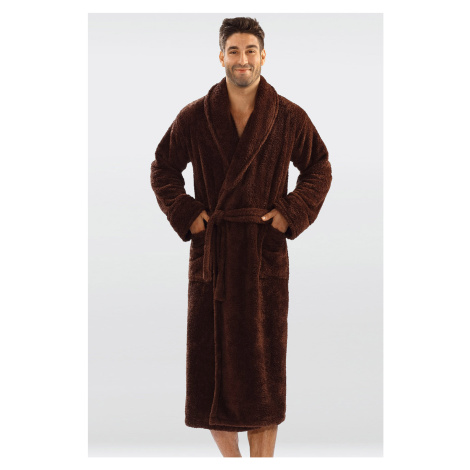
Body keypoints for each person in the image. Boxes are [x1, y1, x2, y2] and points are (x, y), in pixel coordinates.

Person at [150, 17, 332, 458]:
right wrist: (188, 213)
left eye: (251, 50)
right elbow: (162, 167)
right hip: (213, 257)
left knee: (262, 375)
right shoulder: (195, 116)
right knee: (211, 374)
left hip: (261, 255)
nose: (243, 59)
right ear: (221, 57)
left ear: (263, 56)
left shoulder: (287, 116)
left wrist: (290, 213)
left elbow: (319, 167)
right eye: (234, 51)